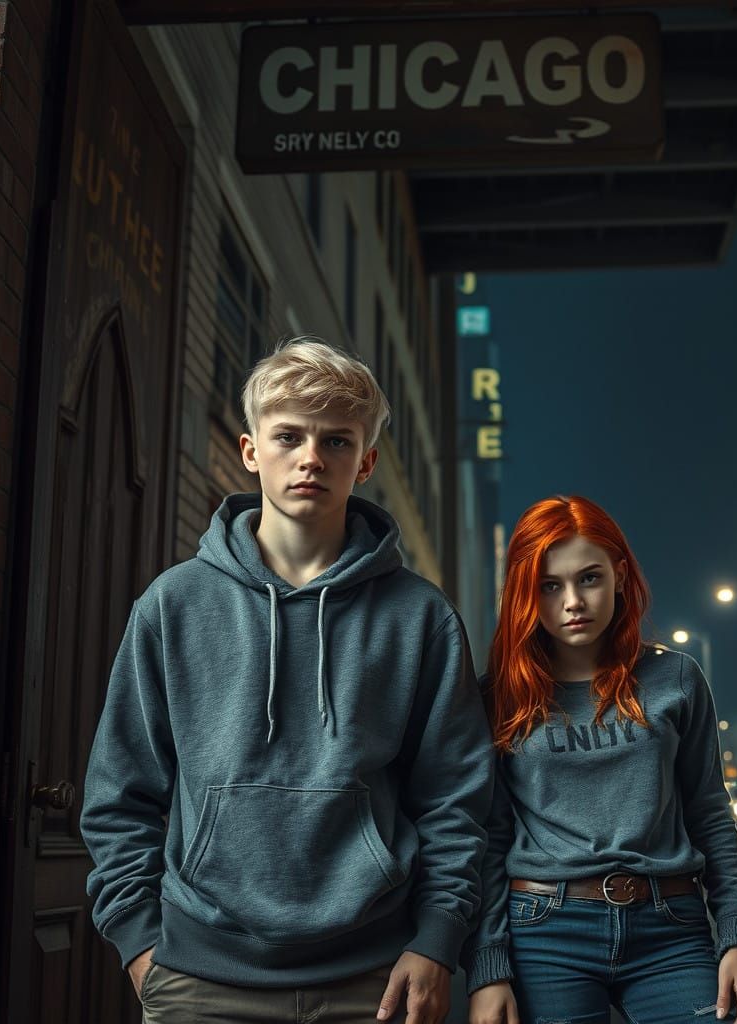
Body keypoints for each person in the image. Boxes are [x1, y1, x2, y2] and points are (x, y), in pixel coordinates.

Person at [81, 337, 493, 1023]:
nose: (311, 458)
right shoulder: (174, 604)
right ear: (251, 451)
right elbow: (118, 793)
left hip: (378, 977)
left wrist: (437, 940)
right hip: (199, 977)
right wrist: (140, 946)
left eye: (336, 441)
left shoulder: (420, 616)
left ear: (365, 462)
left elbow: (457, 799)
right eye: (289, 437)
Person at [462, 496, 737, 1024]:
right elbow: (487, 836)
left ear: (620, 576)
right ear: (525, 593)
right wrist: (488, 967)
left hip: (670, 924)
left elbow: (710, 813)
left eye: (590, 578)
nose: (573, 601)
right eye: (550, 585)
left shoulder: (675, 678)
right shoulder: (498, 697)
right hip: (544, 929)